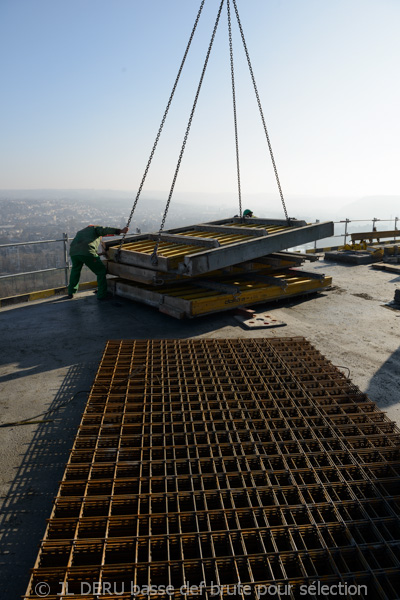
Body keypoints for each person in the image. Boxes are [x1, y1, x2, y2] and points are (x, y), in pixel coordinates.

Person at [67, 224, 128, 300]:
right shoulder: (95, 228)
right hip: (87, 252)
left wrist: (94, 254)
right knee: (101, 271)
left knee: (75, 271)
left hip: (74, 253)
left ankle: (71, 292)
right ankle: (102, 294)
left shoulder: (81, 232)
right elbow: (105, 230)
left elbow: (83, 245)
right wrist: (120, 231)